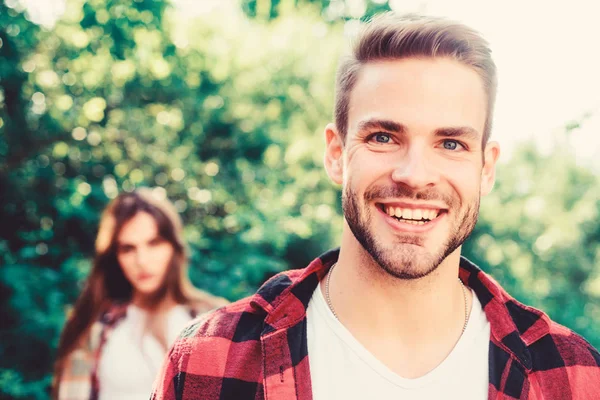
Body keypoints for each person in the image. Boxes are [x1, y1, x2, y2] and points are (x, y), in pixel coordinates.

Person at [151, 13, 600, 400]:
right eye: (383, 137)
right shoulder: (211, 360)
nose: (415, 173)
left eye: (450, 143)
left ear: (486, 168)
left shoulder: (574, 377)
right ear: (336, 154)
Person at [53, 189, 227, 400]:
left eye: (154, 243)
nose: (142, 261)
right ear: (115, 256)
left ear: (174, 246)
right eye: (128, 248)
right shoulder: (93, 327)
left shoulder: (217, 319)